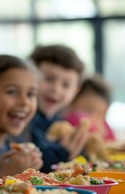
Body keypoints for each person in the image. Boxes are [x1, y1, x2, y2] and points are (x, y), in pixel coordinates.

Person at [25, 45, 89, 173]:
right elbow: (37, 163)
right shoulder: (24, 120)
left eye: (66, 85)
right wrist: (65, 152)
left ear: (76, 90)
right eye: (49, 79)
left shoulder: (60, 122)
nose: (56, 89)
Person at [0, 55, 43, 176]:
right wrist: (6, 176)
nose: (24, 102)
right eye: (12, 92)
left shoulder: (15, 145)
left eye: (30, 94)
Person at [64, 75, 115, 141]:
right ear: (72, 102)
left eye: (100, 114)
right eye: (89, 110)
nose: (93, 118)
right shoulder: (69, 122)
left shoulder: (106, 128)